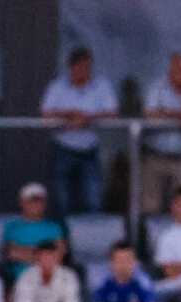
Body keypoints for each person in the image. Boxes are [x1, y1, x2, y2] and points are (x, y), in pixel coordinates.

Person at [40, 47, 118, 217]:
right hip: (63, 149)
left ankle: (92, 238)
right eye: (81, 67)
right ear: (71, 68)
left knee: (93, 198)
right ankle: (63, 240)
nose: (85, 72)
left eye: (88, 67)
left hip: (89, 150)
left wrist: (87, 118)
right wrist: (69, 115)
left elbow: (112, 113)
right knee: (62, 200)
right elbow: (46, 114)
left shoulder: (101, 86)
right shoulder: (57, 87)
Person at [142, 54, 181, 214]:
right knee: (151, 206)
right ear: (170, 70)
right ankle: (149, 239)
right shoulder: (157, 88)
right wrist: (180, 115)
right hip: (156, 156)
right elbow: (151, 114)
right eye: (177, 68)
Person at [2, 182, 65, 285]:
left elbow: (59, 255)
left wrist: (26, 251)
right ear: (22, 203)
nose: (35, 205)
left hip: (50, 280)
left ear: (45, 204)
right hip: (19, 279)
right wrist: (45, 255)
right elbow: (12, 254)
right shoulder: (12, 227)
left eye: (39, 202)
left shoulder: (53, 227)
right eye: (31, 202)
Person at [154, 185, 181, 302]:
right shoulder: (166, 236)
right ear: (174, 206)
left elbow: (175, 267)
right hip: (175, 284)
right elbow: (169, 272)